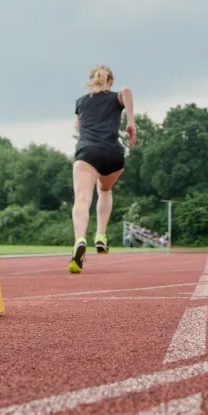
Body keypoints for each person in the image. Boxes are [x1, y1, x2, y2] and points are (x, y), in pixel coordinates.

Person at [66, 65, 136, 274]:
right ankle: (101, 235)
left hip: (88, 153)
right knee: (104, 190)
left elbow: (79, 128)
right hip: (114, 154)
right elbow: (127, 92)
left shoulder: (81, 102)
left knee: (82, 199)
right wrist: (130, 122)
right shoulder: (116, 96)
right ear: (110, 81)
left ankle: (80, 240)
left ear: (90, 81)